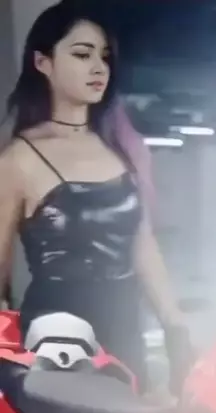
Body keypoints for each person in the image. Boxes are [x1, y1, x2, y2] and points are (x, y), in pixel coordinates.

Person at [0, 0, 192, 393]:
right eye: (82, 54)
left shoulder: (118, 147)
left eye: (104, 56)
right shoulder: (18, 160)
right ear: (43, 63)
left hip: (125, 329)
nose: (99, 68)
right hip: (56, 337)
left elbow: (142, 245)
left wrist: (175, 327)